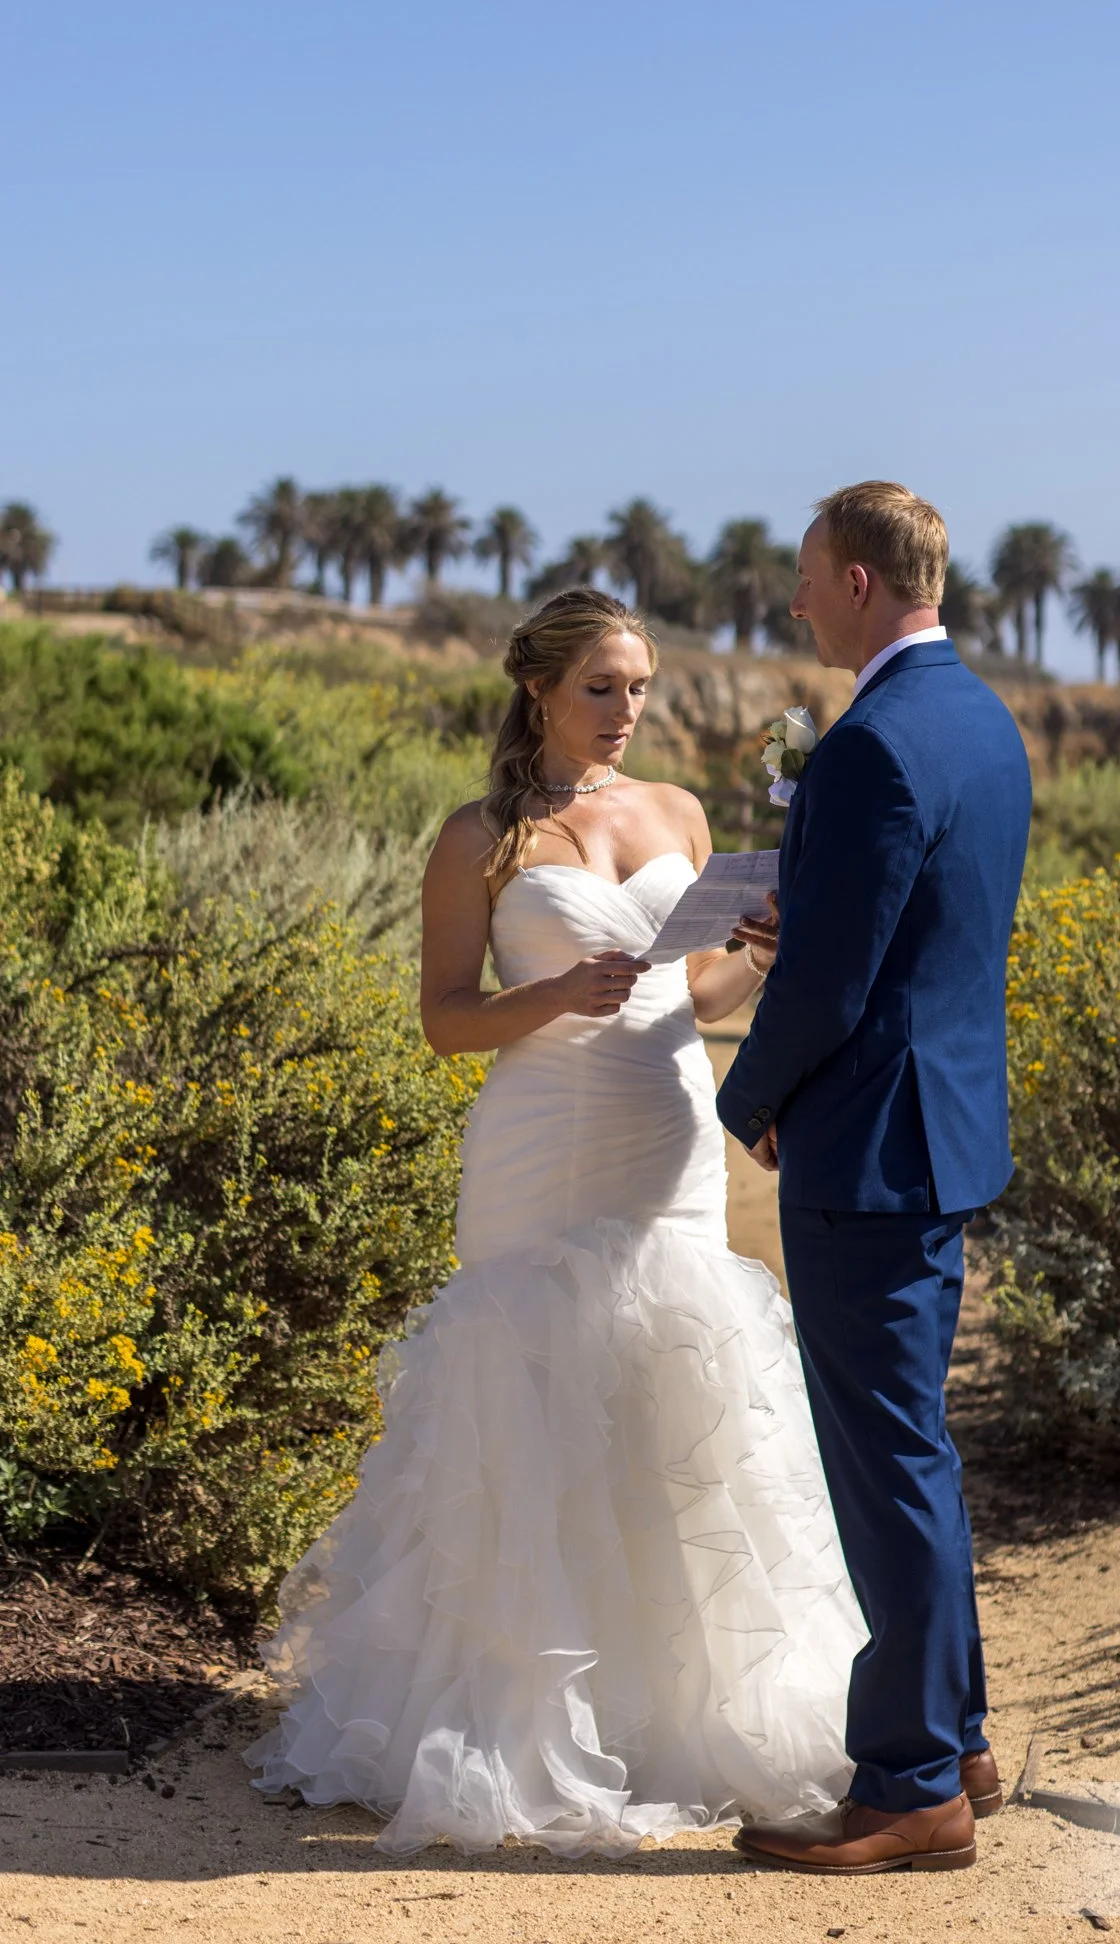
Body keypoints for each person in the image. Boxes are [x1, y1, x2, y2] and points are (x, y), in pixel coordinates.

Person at [247, 590, 864, 1857]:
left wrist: (757, 948)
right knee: (523, 1408)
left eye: (640, 688)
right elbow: (442, 1017)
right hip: (535, 1150)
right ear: (539, 690)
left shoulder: (681, 816)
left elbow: (695, 997)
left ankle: (669, 1722)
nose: (627, 712)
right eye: (602, 688)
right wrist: (549, 999)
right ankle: (521, 1720)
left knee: (668, 1401)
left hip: (664, 1138)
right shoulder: (474, 836)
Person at [716, 482, 1032, 1877]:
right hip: (941, 1129)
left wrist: (753, 1097)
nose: (791, 604)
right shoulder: (981, 721)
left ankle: (908, 1786)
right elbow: (905, 937)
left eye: (802, 580)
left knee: (886, 1463)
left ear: (854, 580)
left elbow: (835, 983)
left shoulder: (870, 747)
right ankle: (951, 1734)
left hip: (869, 1145)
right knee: (919, 1449)